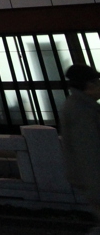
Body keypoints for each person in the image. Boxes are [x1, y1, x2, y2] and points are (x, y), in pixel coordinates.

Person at [60, 64, 100, 233]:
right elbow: (89, 151)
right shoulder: (82, 110)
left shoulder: (79, 106)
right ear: (89, 85)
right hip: (94, 178)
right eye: (97, 82)